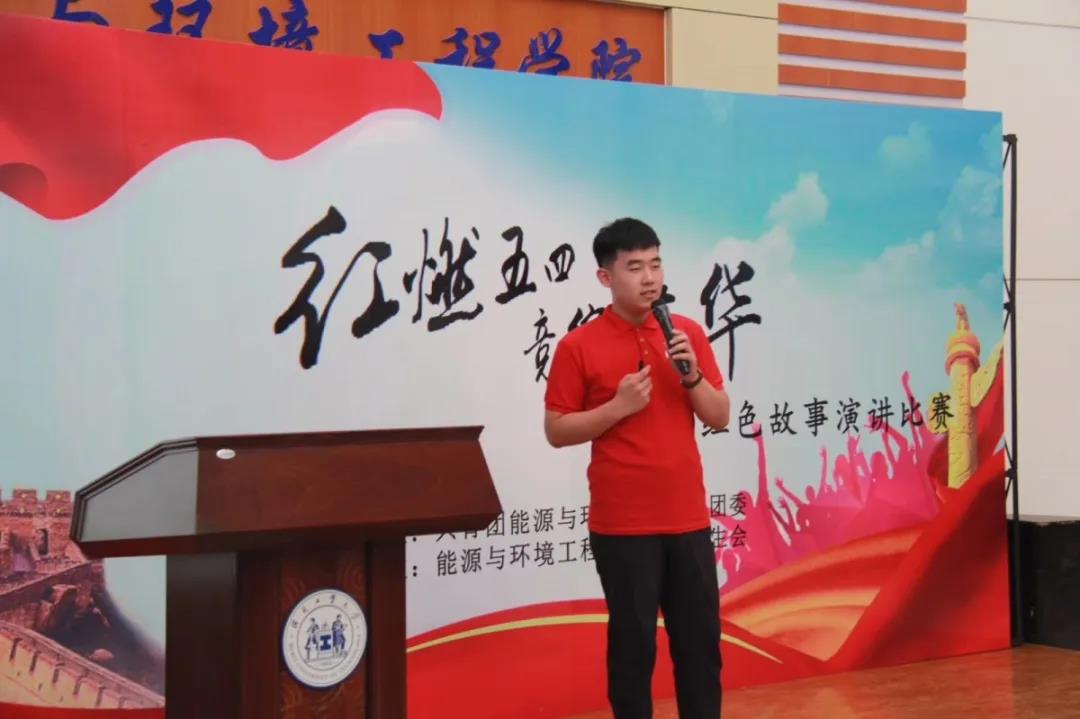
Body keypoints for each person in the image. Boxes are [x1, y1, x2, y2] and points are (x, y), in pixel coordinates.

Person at [544, 218, 731, 718]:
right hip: (623, 525)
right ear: (605, 277)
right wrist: (617, 408)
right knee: (633, 651)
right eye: (634, 267)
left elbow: (720, 416)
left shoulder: (687, 334)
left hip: (688, 517)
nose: (649, 278)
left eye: (656, 264)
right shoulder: (577, 346)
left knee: (700, 647)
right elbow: (557, 430)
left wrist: (691, 376)